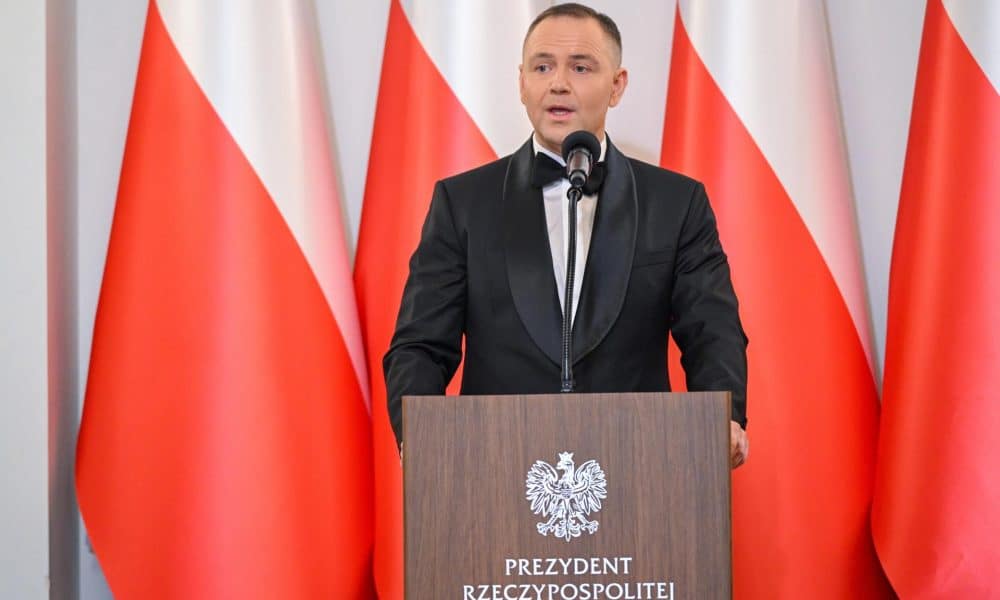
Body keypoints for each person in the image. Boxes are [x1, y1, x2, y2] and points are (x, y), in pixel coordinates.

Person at [384, 3, 749, 468]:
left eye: (581, 67)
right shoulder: (462, 203)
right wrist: (418, 436)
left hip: (639, 466)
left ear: (617, 86)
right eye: (542, 67)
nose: (558, 82)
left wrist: (725, 416)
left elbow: (712, 330)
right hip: (495, 469)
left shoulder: (676, 203)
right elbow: (420, 344)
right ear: (521, 83)